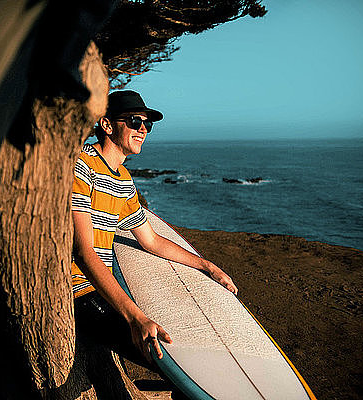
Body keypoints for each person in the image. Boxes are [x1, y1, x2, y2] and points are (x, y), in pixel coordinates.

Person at [71, 90, 238, 366]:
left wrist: (206, 265)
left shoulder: (123, 180)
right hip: (77, 290)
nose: (142, 129)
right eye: (134, 121)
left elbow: (151, 240)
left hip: (102, 290)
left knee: (185, 338)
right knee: (168, 354)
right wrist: (135, 317)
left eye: (147, 124)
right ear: (107, 124)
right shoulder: (82, 165)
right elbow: (83, 252)